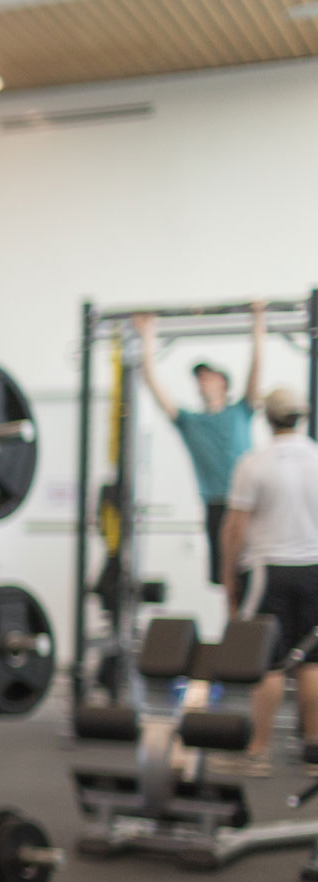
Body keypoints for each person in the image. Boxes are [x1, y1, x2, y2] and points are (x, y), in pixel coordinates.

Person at [220, 387, 318, 773]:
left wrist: (228, 578)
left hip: (268, 570)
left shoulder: (253, 463)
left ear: (268, 418)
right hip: (314, 568)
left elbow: (235, 529)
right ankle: (314, 750)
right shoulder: (317, 458)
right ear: (301, 416)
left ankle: (259, 751)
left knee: (269, 664)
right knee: (312, 662)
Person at [136, 302, 267, 585]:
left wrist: (258, 320)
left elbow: (257, 367)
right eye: (199, 378)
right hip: (216, 506)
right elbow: (152, 381)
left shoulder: (240, 411)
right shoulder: (189, 421)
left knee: (255, 577)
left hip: (247, 504)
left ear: (223, 382)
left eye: (209, 376)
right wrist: (148, 334)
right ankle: (235, 628)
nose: (203, 381)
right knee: (226, 579)